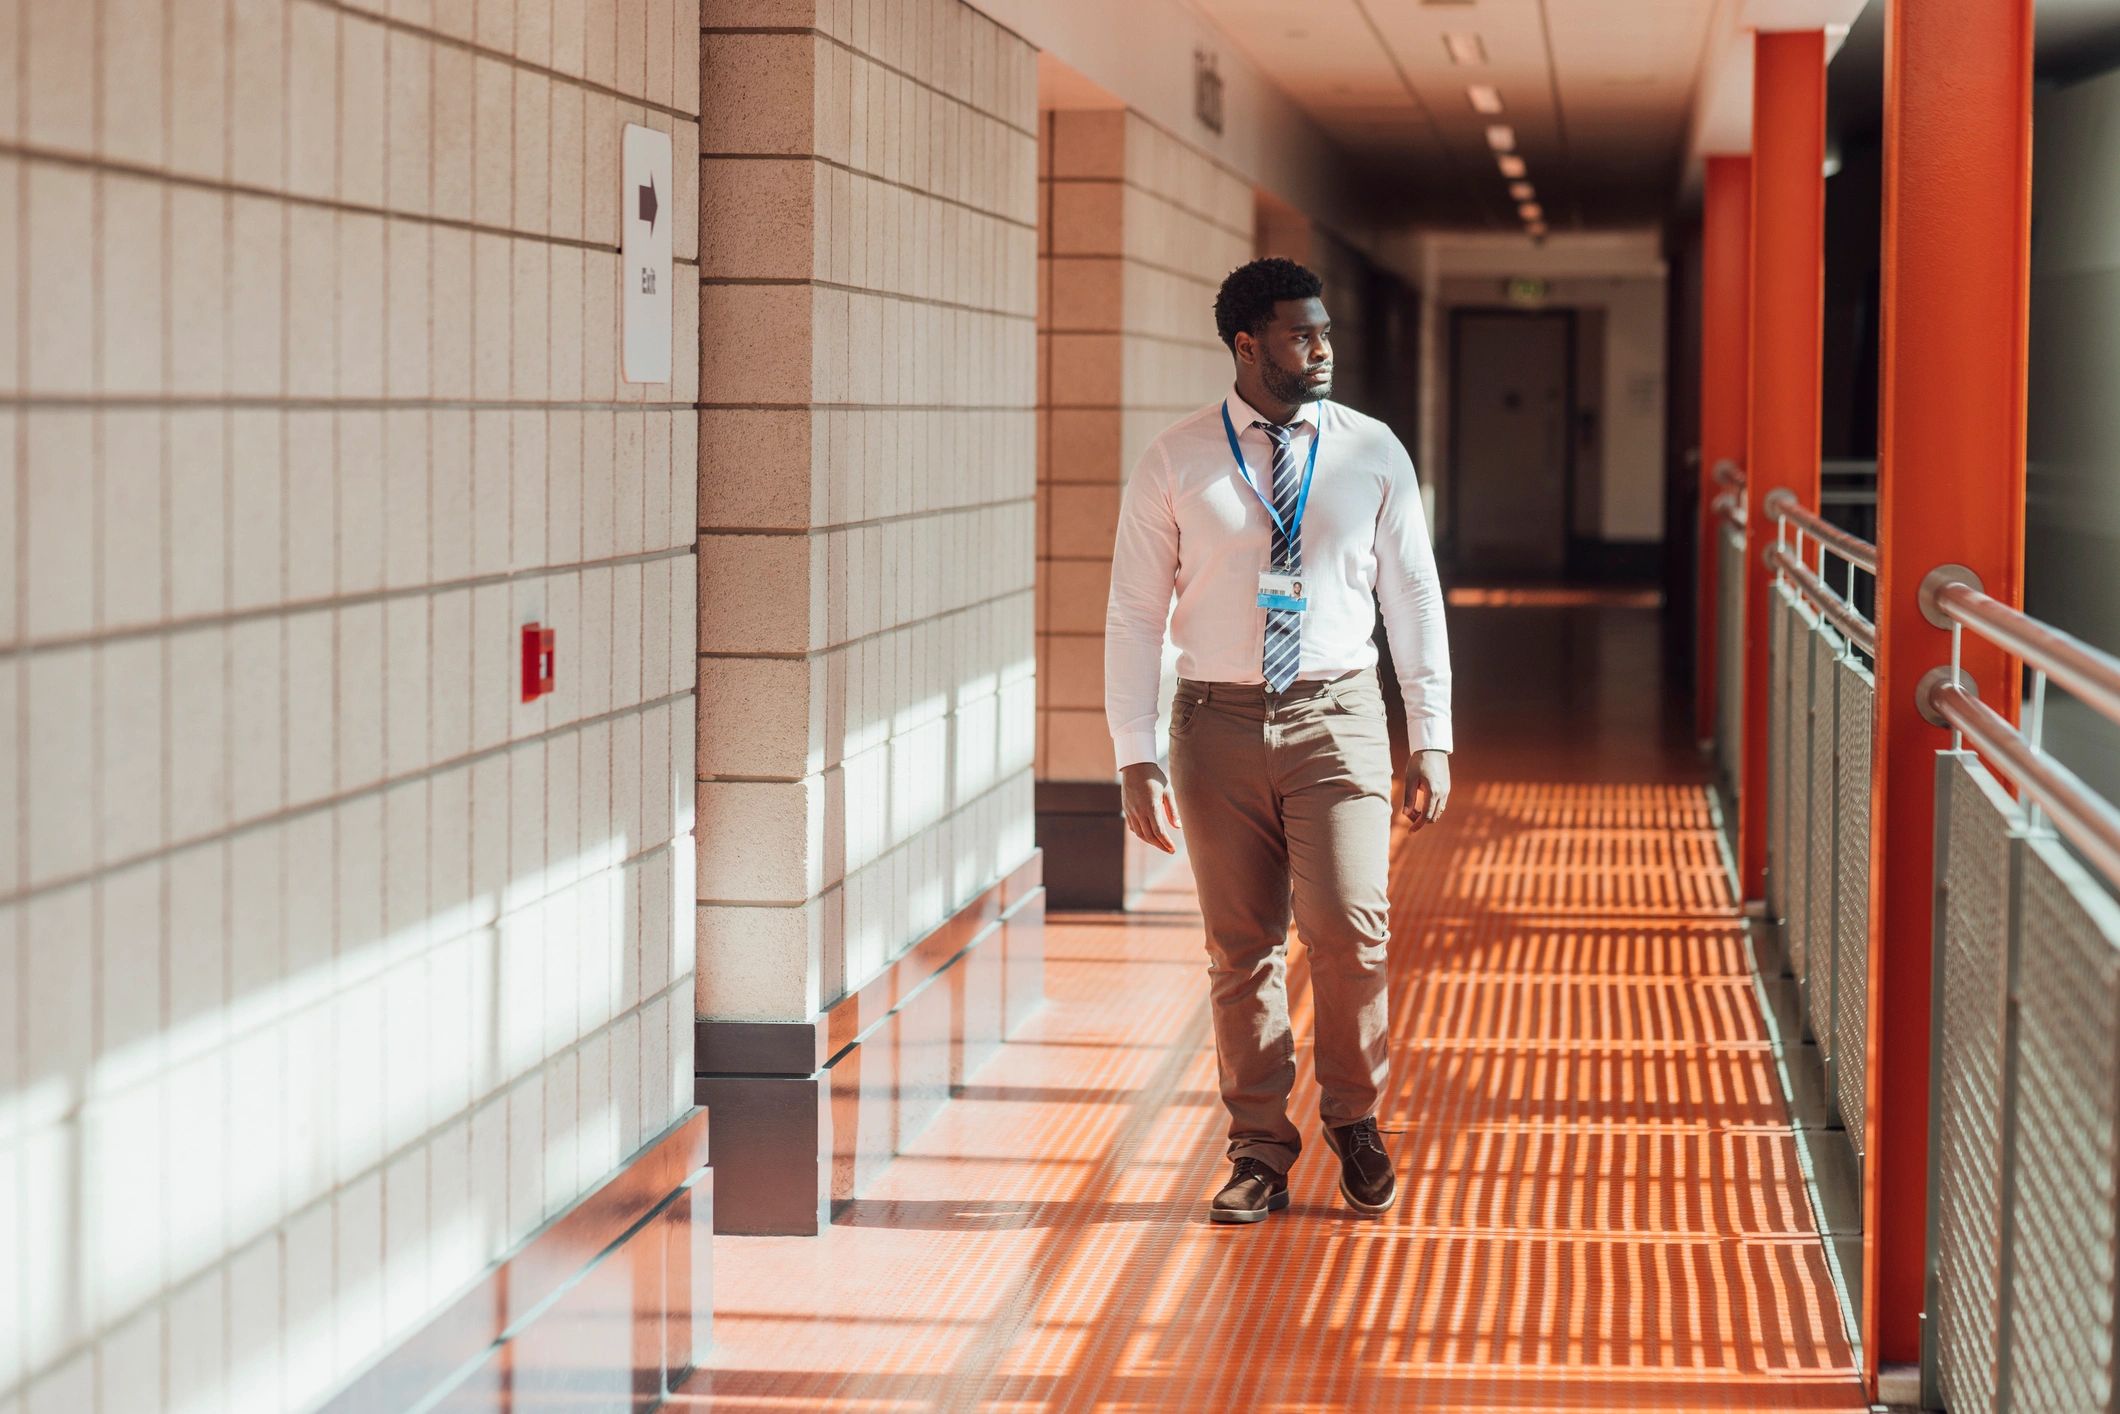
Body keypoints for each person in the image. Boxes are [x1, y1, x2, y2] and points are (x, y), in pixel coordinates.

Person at [1103, 257, 1453, 1224]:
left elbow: (1411, 593)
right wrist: (1133, 749)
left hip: (1337, 714)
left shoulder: (1372, 450)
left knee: (1350, 928)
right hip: (1212, 723)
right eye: (1304, 335)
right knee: (1241, 949)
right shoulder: (1178, 459)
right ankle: (1259, 1146)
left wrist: (1432, 731)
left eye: (1326, 331)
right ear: (1248, 345)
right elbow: (1134, 612)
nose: (1324, 348)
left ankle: (1355, 1114)